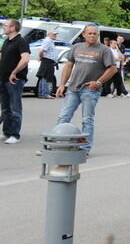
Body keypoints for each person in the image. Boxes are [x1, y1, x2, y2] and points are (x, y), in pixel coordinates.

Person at [53, 25, 117, 154]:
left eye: (95, 34)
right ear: (84, 34)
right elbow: (69, 65)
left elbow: (113, 69)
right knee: (64, 117)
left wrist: (98, 82)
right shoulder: (76, 47)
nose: (93, 36)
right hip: (73, 88)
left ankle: (85, 148)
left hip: (90, 90)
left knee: (87, 120)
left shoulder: (104, 50)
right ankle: (57, 143)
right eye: (90, 33)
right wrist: (62, 85)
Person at [0, 19, 30, 144]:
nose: (3, 27)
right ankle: (6, 132)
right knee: (5, 108)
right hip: (3, 79)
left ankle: (14, 134)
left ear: (13, 28)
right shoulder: (7, 41)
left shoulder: (21, 42)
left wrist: (14, 72)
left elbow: (25, 59)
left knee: (15, 108)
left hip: (14, 80)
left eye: (5, 26)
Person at [36, 29, 59, 99]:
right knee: (45, 77)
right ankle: (44, 93)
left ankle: (41, 93)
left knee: (44, 77)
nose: (55, 35)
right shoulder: (48, 41)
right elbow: (42, 50)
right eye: (54, 34)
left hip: (48, 61)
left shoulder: (50, 41)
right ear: (49, 34)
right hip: (47, 61)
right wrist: (40, 57)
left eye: (56, 34)